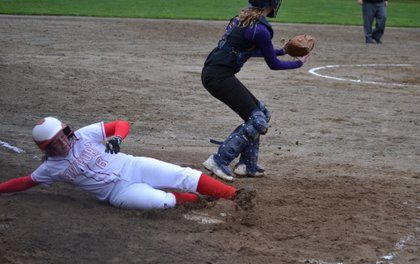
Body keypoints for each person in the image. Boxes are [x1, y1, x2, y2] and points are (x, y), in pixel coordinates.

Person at [0, 117, 255, 210]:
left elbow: (121, 124)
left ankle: (236, 196)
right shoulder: (50, 168)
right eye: (54, 143)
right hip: (117, 193)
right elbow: (24, 182)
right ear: (46, 149)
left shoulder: (85, 135)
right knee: (160, 202)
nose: (62, 143)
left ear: (67, 132)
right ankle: (197, 200)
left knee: (183, 174)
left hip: (133, 166)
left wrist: (118, 139)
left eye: (62, 137)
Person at [201, 0, 310, 181]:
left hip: (215, 73)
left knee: (262, 113)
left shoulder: (242, 19)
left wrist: (282, 51)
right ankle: (218, 160)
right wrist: (298, 63)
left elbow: (248, 51)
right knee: (257, 120)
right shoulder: (260, 29)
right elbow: (273, 65)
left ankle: (247, 165)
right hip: (219, 77)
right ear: (272, 3)